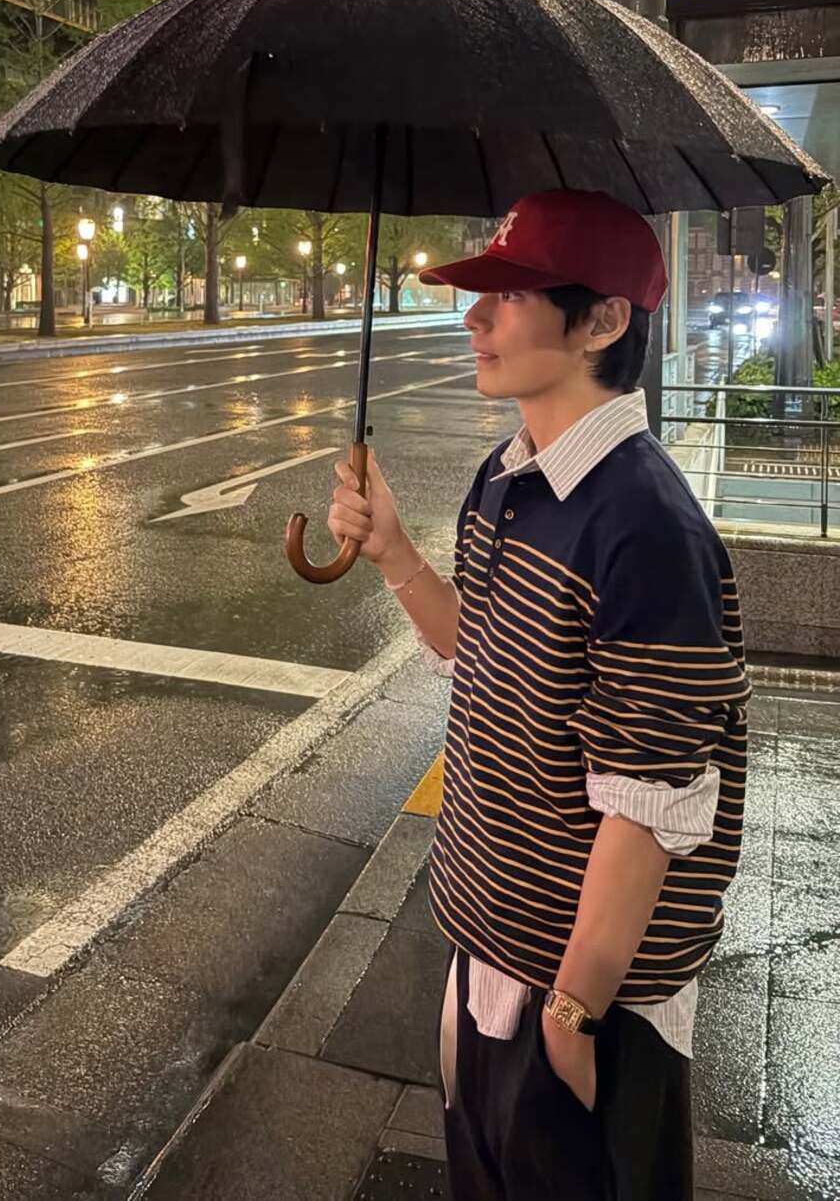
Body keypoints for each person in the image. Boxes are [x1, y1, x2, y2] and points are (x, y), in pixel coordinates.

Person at [326, 189, 749, 1201]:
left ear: (600, 320)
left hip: (577, 991)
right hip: (487, 945)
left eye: (506, 294)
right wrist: (390, 549)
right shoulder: (508, 475)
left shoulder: (646, 526)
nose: (472, 318)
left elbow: (649, 802)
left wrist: (572, 1011)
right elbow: (480, 653)